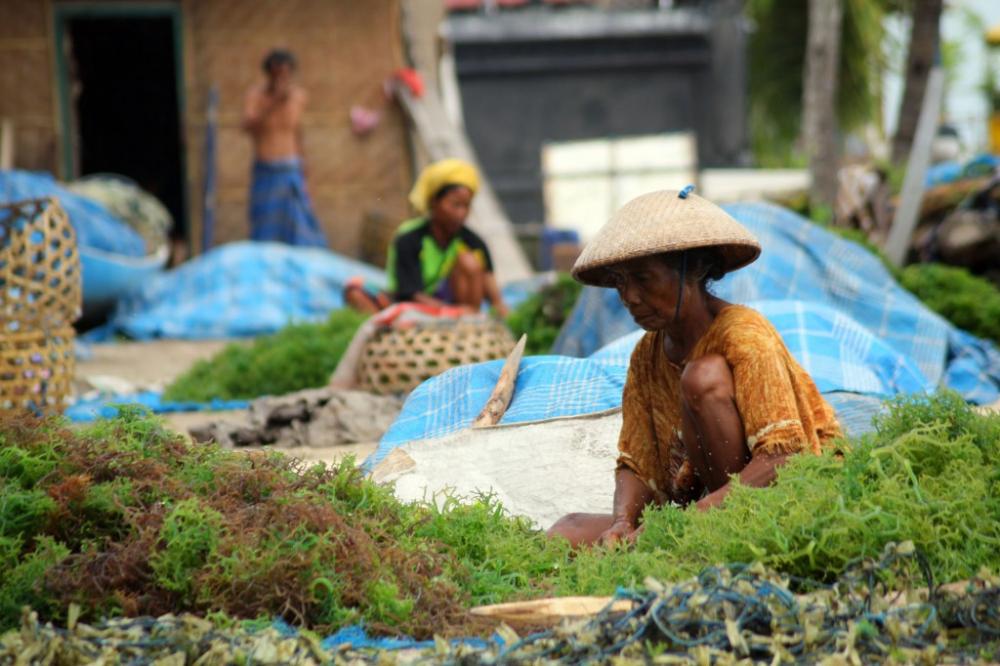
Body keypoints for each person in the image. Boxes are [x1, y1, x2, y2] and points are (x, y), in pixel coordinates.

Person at [547, 189, 842, 548]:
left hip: (771, 505)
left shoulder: (744, 335)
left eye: (644, 279)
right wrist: (623, 522)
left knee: (702, 378)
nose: (630, 298)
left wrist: (688, 522)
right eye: (622, 283)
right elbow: (636, 464)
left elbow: (782, 457)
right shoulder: (646, 355)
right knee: (566, 531)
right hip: (701, 506)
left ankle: (721, 537)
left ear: (695, 269)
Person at [345, 158, 509, 316]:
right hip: (411, 305)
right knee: (356, 290)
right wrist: (448, 312)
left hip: (454, 308)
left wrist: (502, 313)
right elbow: (409, 293)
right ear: (433, 202)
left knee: (470, 262)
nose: (461, 213)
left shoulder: (473, 242)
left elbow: (495, 296)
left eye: (466, 206)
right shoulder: (409, 238)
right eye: (455, 205)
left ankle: (467, 322)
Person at [241, 49, 327, 247]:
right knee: (264, 225)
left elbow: (297, 133)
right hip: (266, 169)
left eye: (285, 74)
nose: (281, 79)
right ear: (268, 74)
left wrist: (305, 170)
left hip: (291, 169)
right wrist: (272, 103)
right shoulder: (255, 96)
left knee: (299, 223)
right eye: (277, 74)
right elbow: (248, 126)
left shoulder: (299, 97)